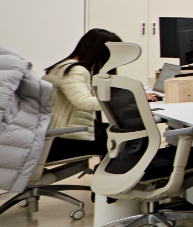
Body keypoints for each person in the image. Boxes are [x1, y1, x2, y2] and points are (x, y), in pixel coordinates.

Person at [42, 28, 130, 159]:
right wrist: (128, 99)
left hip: (58, 133)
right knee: (127, 138)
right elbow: (84, 101)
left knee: (117, 131)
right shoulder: (76, 70)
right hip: (64, 139)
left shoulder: (62, 66)